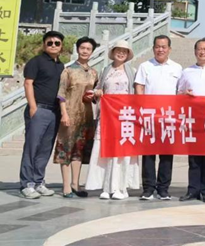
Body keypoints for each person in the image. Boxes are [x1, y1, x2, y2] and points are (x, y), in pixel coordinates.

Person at [86, 39, 140, 200]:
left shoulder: (132, 71)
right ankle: (106, 186)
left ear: (128, 54)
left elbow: (137, 94)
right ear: (113, 52)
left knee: (122, 151)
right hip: (107, 116)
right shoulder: (105, 70)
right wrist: (97, 93)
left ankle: (120, 187)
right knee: (105, 149)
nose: (121, 53)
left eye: (124, 51)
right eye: (118, 50)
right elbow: (98, 89)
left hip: (125, 117)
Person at [134, 35, 182, 200]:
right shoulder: (145, 66)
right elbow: (139, 88)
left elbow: (180, 91)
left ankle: (163, 189)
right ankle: (148, 188)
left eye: (164, 47)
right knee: (148, 154)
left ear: (169, 49)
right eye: (157, 46)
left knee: (166, 154)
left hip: (169, 117)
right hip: (149, 116)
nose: (160, 49)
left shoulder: (177, 68)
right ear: (153, 48)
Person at [19, 31, 65, 199]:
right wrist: (33, 107)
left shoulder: (61, 66)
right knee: (32, 147)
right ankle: (27, 184)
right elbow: (28, 83)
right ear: (44, 45)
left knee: (45, 148)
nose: (53, 45)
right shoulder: (36, 61)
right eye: (49, 43)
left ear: (61, 46)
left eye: (57, 43)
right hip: (39, 109)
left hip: (54, 111)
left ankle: (39, 182)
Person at [177, 38, 205, 203]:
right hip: (193, 119)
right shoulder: (186, 71)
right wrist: (184, 95)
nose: (202, 52)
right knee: (194, 157)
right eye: (199, 49)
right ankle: (193, 189)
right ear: (195, 51)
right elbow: (179, 93)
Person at [54, 37, 99, 198]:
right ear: (78, 49)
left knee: (79, 150)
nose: (85, 51)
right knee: (66, 148)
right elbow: (61, 94)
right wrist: (64, 113)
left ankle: (75, 183)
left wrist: (94, 96)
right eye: (82, 48)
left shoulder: (93, 72)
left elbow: (95, 94)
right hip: (70, 114)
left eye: (88, 49)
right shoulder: (68, 70)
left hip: (86, 116)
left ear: (92, 52)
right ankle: (66, 186)